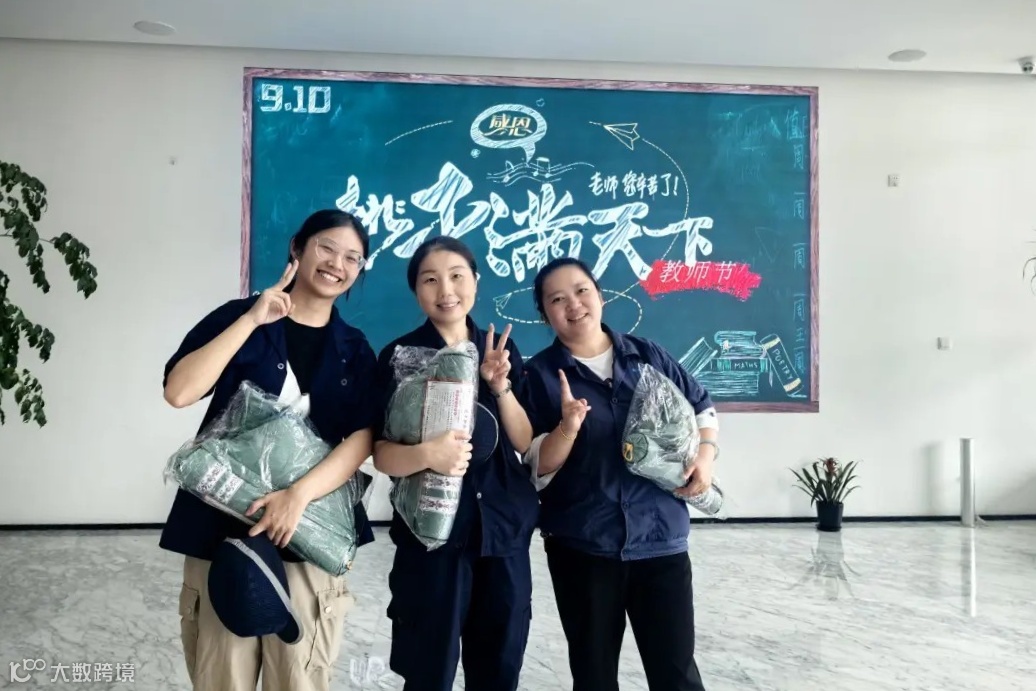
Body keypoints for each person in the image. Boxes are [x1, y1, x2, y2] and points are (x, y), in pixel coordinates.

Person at [161, 209, 378, 691]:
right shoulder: (240, 316)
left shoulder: (354, 349)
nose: (337, 264)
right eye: (326, 248)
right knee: (222, 678)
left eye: (352, 258)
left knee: (299, 678)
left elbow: (362, 438)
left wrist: (297, 497)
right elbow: (179, 391)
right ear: (297, 248)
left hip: (309, 535)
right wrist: (253, 318)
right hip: (219, 528)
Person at [518, 257, 719, 691]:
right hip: (583, 547)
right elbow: (534, 465)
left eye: (581, 291)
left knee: (676, 675)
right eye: (557, 299)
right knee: (593, 676)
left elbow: (702, 407)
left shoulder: (647, 356)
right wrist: (567, 428)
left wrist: (705, 456)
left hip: (660, 541)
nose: (573, 304)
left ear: (600, 295)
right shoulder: (538, 376)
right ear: (545, 314)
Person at [371, 236, 540, 691]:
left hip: (502, 533)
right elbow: (381, 453)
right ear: (416, 291)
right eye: (430, 280)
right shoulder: (401, 358)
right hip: (431, 539)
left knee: (499, 669)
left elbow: (524, 441)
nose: (446, 290)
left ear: (476, 281)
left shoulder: (502, 350)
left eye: (457, 276)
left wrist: (500, 386)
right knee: (429, 670)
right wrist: (428, 455)